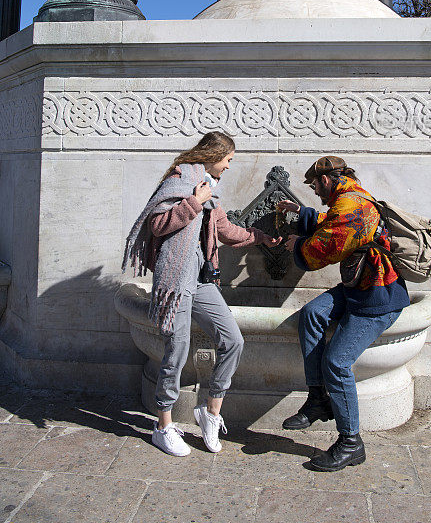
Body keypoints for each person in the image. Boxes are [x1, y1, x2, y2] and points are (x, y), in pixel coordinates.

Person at [123, 131, 281, 457]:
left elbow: (225, 230)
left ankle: (210, 413)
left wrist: (260, 237)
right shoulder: (182, 180)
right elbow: (158, 225)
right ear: (214, 155)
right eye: (228, 160)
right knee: (176, 351)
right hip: (176, 279)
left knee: (233, 340)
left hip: (202, 278)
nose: (229, 166)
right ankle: (163, 425)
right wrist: (193, 202)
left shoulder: (210, 190)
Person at [278, 156, 410, 472]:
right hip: (358, 289)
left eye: (314, 186)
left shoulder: (351, 204)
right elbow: (334, 222)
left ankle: (351, 442)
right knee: (312, 314)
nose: (314, 191)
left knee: (336, 363)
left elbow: (324, 248)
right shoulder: (351, 198)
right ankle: (317, 399)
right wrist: (302, 213)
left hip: (376, 297)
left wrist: (297, 246)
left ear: (326, 179)